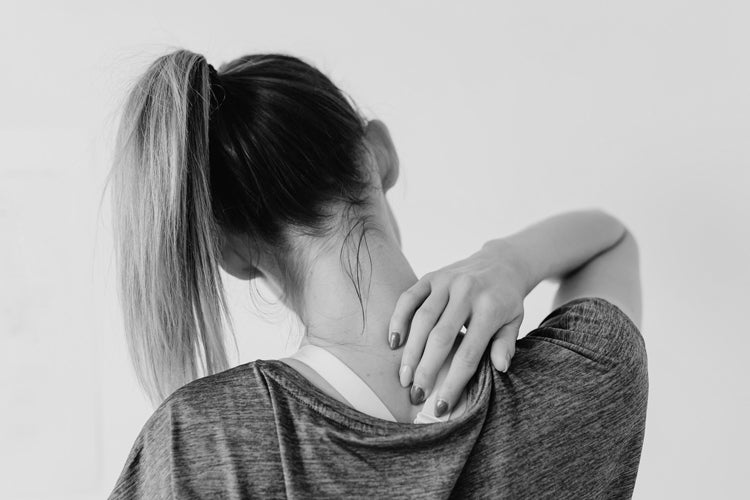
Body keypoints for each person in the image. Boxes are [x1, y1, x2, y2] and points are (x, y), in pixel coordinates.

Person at [108, 49, 648, 499]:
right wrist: (509, 261)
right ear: (380, 153)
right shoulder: (581, 380)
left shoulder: (204, 442)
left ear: (230, 253)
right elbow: (611, 239)